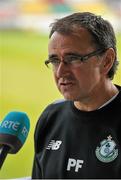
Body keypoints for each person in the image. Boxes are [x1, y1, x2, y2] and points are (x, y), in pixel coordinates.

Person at [32, 12, 121, 179]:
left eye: (73, 58)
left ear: (107, 61)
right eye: (55, 61)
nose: (60, 72)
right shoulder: (50, 118)